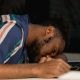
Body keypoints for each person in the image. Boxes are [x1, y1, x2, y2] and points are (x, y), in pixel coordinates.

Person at [0, 14, 71, 79]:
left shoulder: (28, 48)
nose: (48, 57)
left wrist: (57, 61)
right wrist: (38, 69)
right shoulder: (14, 30)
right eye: (53, 51)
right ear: (49, 31)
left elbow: (62, 57)